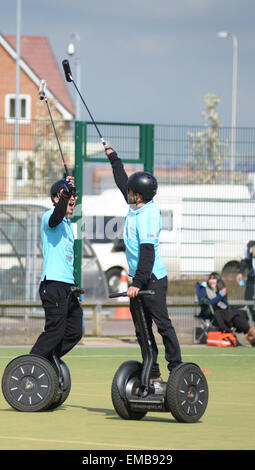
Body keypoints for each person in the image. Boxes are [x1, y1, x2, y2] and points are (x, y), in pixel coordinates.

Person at [105, 146, 182, 379]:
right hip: (137, 279)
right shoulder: (136, 206)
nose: (126, 192)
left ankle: (176, 367)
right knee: (141, 329)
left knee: (162, 324)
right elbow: (121, 182)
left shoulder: (148, 215)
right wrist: (113, 157)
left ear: (138, 195)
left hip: (153, 279)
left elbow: (147, 255)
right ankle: (153, 372)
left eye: (130, 191)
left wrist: (137, 283)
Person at [30, 177, 83, 361]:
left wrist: (75, 290)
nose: (72, 198)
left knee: (75, 331)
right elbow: (56, 216)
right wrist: (65, 192)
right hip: (52, 284)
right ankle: (32, 364)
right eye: (67, 195)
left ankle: (47, 361)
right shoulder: (49, 217)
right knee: (55, 331)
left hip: (68, 286)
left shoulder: (69, 226)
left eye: (74, 195)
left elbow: (67, 262)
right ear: (55, 198)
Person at [196, 272, 255, 345]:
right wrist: (220, 295)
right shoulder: (204, 290)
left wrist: (223, 295)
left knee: (238, 314)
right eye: (210, 278)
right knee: (233, 315)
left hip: (224, 314)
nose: (211, 280)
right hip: (213, 315)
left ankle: (250, 335)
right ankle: (250, 334)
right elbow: (208, 303)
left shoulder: (219, 290)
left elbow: (226, 306)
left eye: (214, 278)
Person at [236, 240, 255, 321]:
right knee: (249, 298)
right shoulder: (249, 245)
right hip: (252, 278)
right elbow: (245, 261)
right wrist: (240, 272)